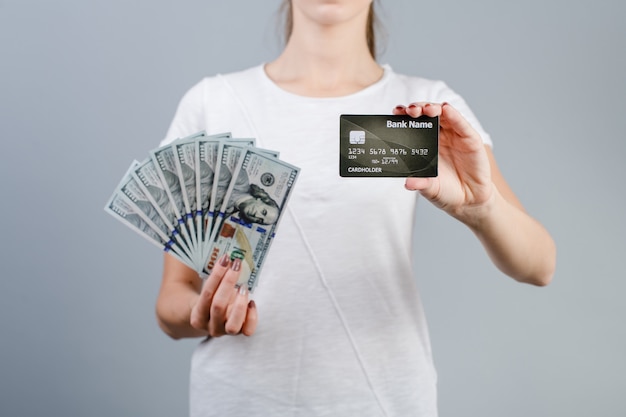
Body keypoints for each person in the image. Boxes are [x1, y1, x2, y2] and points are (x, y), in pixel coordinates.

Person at [155, 1, 556, 416]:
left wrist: (482, 208)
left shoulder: (425, 108)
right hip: (239, 401)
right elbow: (170, 302)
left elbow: (540, 265)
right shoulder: (213, 103)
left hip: (384, 400)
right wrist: (203, 312)